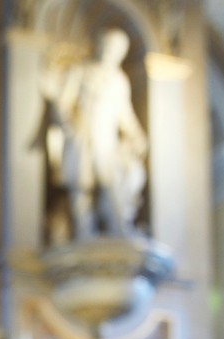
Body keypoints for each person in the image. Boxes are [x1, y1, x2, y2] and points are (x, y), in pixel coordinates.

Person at [43, 28, 148, 240]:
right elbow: (62, 104)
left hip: (106, 140)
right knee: (81, 188)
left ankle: (116, 229)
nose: (111, 52)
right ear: (100, 46)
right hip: (81, 137)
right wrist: (72, 126)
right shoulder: (80, 72)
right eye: (109, 46)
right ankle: (83, 234)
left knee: (111, 183)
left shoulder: (119, 81)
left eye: (117, 49)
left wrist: (137, 135)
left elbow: (125, 115)